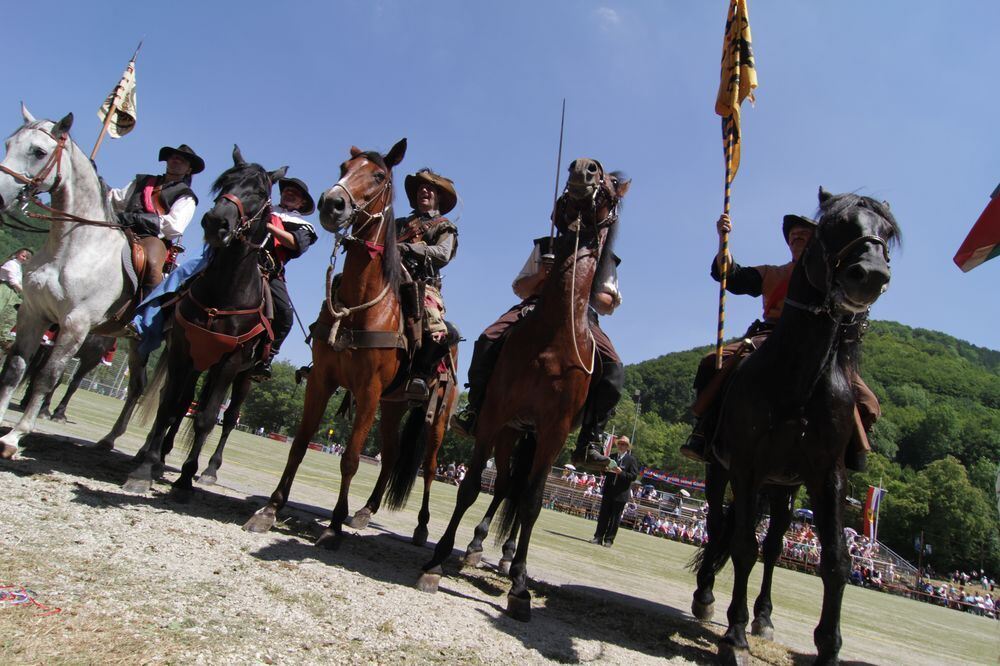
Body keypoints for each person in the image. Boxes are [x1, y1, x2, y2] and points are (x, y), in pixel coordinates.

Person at [680, 212, 880, 471]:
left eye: (803, 235)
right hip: (771, 335)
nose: (796, 238)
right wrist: (723, 239)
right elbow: (731, 275)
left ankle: (849, 451)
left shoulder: (831, 278)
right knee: (711, 362)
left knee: (868, 401)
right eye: (793, 236)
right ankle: (704, 430)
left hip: (817, 342)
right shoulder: (772, 273)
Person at [451, 181, 626, 468]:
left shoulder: (604, 256)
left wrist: (579, 284)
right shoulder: (546, 246)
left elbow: (608, 304)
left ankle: (590, 440)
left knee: (614, 369)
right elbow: (520, 288)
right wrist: (542, 275)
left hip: (581, 316)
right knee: (487, 338)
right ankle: (475, 408)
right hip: (534, 306)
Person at [395, 168, 461, 400]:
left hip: (421, 283)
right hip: (389, 277)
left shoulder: (444, 226)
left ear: (438, 197)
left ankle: (420, 375)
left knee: (436, 325)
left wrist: (409, 248)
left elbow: (442, 253)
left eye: (430, 188)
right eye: (420, 188)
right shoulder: (399, 224)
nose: (423, 191)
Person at [109, 144, 203, 291]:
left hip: (151, 238)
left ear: (189, 169)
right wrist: (96, 182)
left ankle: (148, 303)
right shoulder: (142, 181)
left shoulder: (186, 196)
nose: (176, 160)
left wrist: (136, 219)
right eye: (173, 157)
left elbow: (173, 227)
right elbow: (117, 200)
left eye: (182, 160)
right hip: (120, 226)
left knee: (152, 266)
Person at [251, 177, 318, 380]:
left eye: (295, 194)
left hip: (268, 269)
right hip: (242, 256)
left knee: (284, 315)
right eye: (287, 190)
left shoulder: (302, 225)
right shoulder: (263, 208)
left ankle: (264, 359)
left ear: (302, 203)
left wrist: (269, 227)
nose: (289, 194)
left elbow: (295, 244)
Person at [590, 436, 639, 547]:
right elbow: (605, 472)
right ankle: (598, 537)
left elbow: (633, 476)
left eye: (624, 444)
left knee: (615, 519)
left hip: (621, 494)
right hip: (608, 491)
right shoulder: (611, 457)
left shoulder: (631, 460)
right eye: (620, 444)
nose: (621, 446)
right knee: (603, 516)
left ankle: (609, 540)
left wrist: (621, 472)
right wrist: (604, 470)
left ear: (627, 447)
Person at [0, 248, 32, 350]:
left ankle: (4, 337)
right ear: (18, 254)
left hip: (13, 292)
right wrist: (26, 293)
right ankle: (4, 338)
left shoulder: (19, 267)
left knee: (10, 314)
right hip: (5, 289)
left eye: (27, 258)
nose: (24, 258)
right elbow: (13, 281)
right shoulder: (11, 264)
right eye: (23, 256)